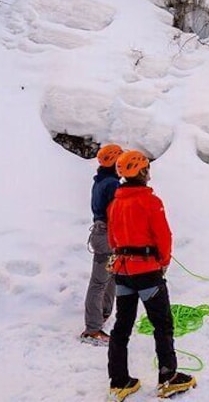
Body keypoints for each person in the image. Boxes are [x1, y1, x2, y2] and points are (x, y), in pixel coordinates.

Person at [106, 150, 197, 401]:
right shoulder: (150, 201)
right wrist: (163, 262)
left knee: (122, 326)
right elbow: (163, 237)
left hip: (123, 272)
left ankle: (119, 381)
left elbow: (112, 239)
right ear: (141, 172)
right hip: (147, 272)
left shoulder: (114, 204)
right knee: (162, 324)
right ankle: (168, 378)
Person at [80, 143, 123, 345]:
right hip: (108, 235)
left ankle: (102, 315)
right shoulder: (113, 184)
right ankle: (92, 329)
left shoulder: (100, 181)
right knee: (100, 282)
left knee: (110, 277)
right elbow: (116, 213)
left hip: (101, 233)